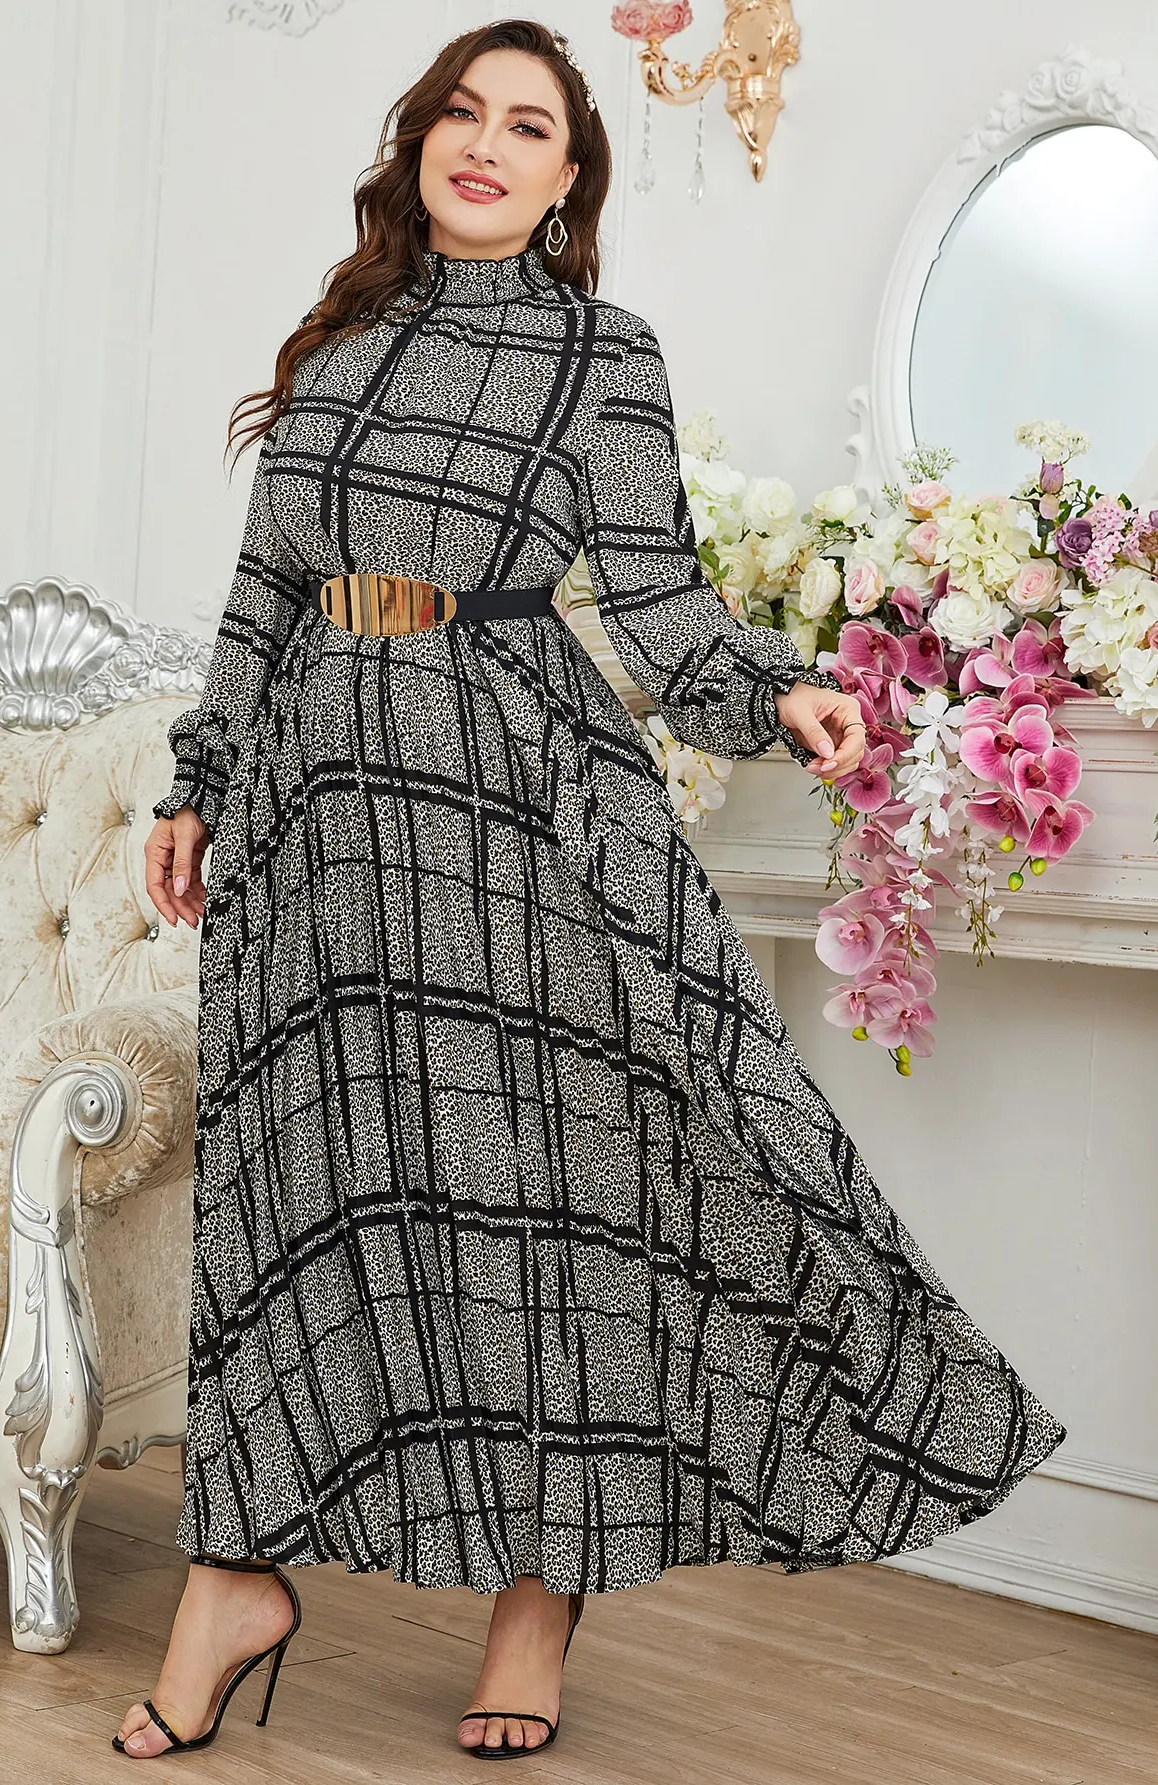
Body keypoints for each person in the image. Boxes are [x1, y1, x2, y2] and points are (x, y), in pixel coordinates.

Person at [114, 18, 1067, 1762]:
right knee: (296, 1198)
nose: (484, 144)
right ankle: (231, 1582)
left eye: (528, 126)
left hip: (512, 813)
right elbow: (262, 597)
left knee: (547, 1202)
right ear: (418, 143)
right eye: (461, 114)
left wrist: (779, 692)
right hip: (318, 824)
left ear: (568, 180)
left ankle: (539, 1598)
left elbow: (660, 604)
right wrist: (199, 781)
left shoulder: (599, 358)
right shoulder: (337, 346)